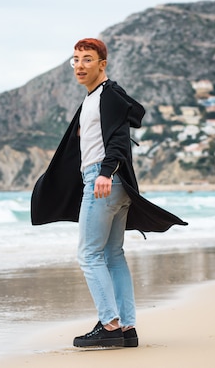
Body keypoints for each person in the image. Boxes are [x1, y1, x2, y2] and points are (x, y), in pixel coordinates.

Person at [31, 38, 187, 348]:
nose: (79, 65)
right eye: (75, 59)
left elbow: (119, 138)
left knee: (89, 255)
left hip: (104, 182)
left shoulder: (107, 96)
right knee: (113, 255)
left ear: (102, 64)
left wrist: (104, 172)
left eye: (87, 59)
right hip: (114, 185)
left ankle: (110, 324)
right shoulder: (94, 99)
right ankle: (126, 327)